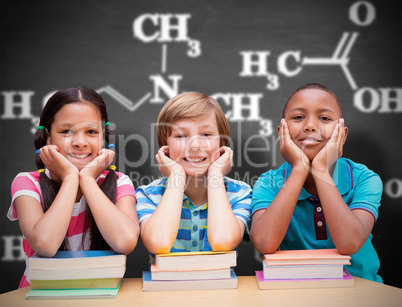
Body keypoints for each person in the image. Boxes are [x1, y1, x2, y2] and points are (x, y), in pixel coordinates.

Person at [7, 87, 140, 288]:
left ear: (103, 137)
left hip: (103, 296)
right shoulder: (27, 183)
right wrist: (70, 178)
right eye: (67, 131)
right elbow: (46, 245)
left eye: (91, 132)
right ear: (48, 138)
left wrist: (87, 180)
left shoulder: (120, 182)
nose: (80, 142)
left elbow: (125, 241)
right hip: (40, 297)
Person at [250, 83, 382, 282]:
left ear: (343, 134)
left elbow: (349, 243)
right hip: (293, 293)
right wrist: (299, 169)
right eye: (298, 117)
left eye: (324, 118)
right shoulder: (268, 183)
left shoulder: (364, 179)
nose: (310, 126)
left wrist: (320, 169)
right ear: (281, 132)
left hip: (360, 293)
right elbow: (264, 243)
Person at [136, 91, 252, 260]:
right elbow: (158, 243)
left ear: (222, 142)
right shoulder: (148, 195)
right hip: (167, 286)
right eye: (181, 136)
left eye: (206, 135)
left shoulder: (239, 193)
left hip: (220, 286)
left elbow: (223, 241)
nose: (195, 145)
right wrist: (176, 177)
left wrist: (215, 176)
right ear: (165, 146)